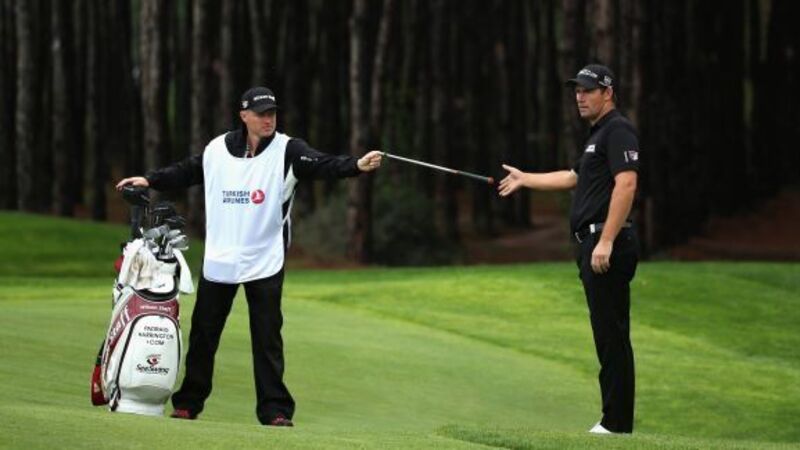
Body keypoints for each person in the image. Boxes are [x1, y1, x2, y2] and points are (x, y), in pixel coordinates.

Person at [115, 86, 383, 426]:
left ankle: (275, 410)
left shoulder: (289, 150)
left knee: (267, 337)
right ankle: (188, 403)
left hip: (265, 258)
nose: (268, 119)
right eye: (261, 114)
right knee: (204, 335)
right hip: (220, 258)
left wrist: (356, 165)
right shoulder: (217, 149)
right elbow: (187, 170)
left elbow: (324, 164)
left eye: (272, 113)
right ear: (244, 116)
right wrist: (149, 179)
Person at [498, 64, 640, 434]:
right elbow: (572, 177)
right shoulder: (598, 135)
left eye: (588, 90)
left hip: (606, 242)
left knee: (611, 335)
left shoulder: (618, 130)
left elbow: (626, 185)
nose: (579, 97)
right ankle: (615, 421)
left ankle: (616, 424)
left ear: (607, 93)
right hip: (593, 243)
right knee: (606, 333)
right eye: (577, 90)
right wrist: (525, 178)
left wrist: (606, 240)